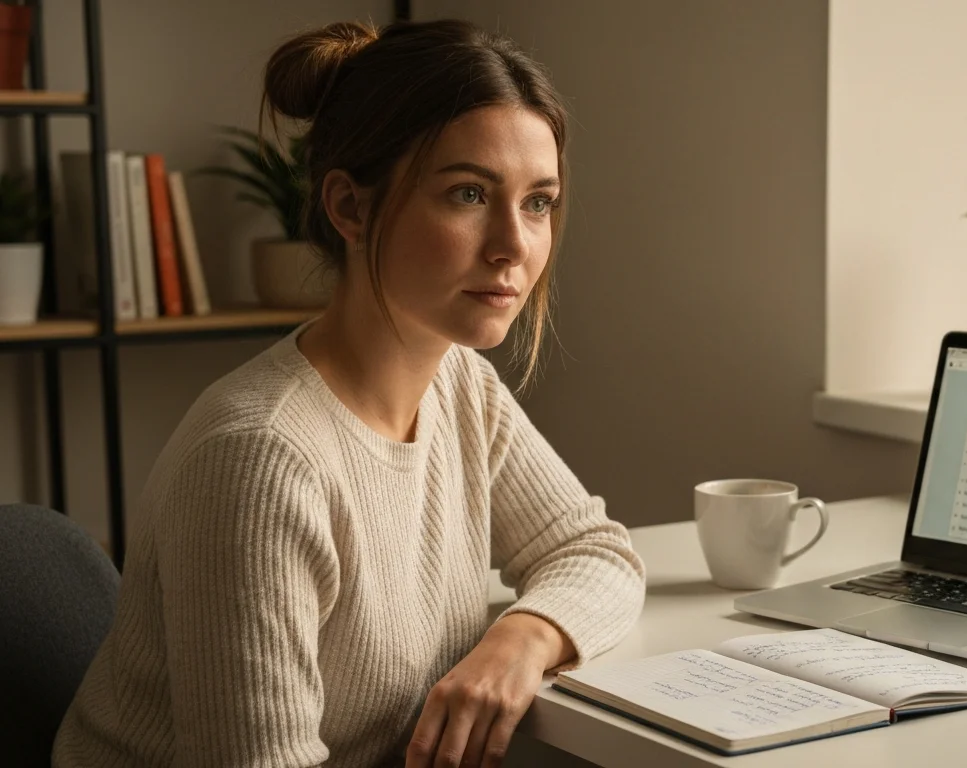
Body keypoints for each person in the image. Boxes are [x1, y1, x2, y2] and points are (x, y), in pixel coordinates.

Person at [52, 18, 646, 768]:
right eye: (469, 193)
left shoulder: (460, 385)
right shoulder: (262, 461)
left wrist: (521, 640)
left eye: (538, 203)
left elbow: (595, 552)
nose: (514, 245)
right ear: (350, 207)